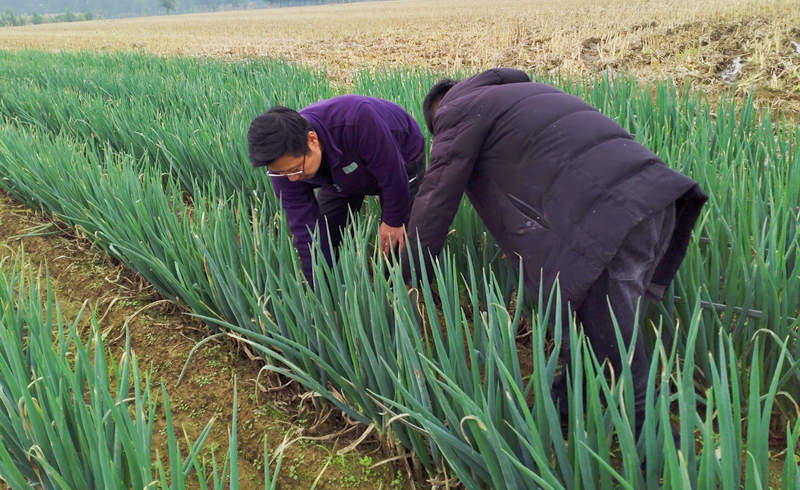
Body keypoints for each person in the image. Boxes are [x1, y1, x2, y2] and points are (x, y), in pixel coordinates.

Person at [402, 68, 707, 436]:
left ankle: (657, 450)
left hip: (607, 221)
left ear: (438, 115)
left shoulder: (457, 111)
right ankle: (567, 402)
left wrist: (410, 275)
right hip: (655, 201)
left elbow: (436, 199)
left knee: (616, 350)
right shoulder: (522, 94)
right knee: (592, 325)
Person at [247, 95, 426, 285]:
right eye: (284, 173)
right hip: (340, 174)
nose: (292, 178)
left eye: (295, 169)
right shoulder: (283, 166)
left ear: (312, 140)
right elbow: (305, 229)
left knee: (396, 242)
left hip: (400, 154)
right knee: (326, 234)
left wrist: (393, 220)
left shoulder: (357, 120)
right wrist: (319, 292)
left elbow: (393, 175)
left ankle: (397, 292)